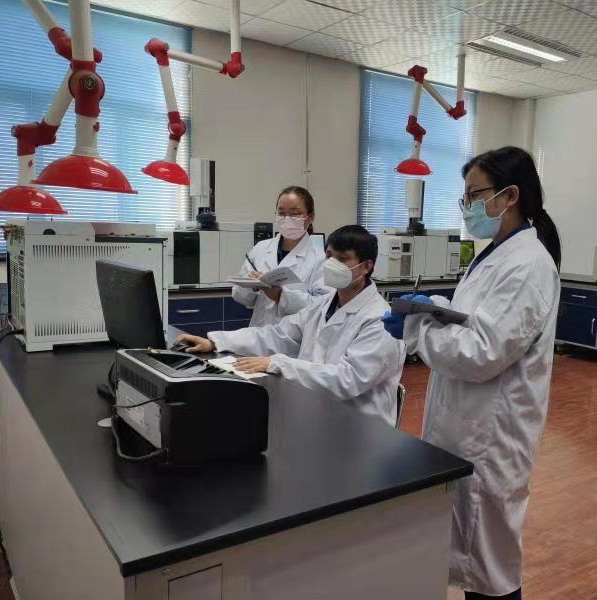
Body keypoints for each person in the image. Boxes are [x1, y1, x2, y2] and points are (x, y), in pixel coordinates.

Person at [383, 147, 562, 599]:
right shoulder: (495, 254)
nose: (467, 206)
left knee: (489, 566)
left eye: (474, 194)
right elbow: (476, 320)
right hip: (465, 423)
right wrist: (434, 308)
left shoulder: (527, 264)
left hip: (491, 433)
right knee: (471, 555)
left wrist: (417, 328)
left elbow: (482, 353)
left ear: (510, 195)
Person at [176, 225, 405, 426]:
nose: (331, 264)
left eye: (342, 259)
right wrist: (215, 341)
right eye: (329, 256)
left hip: (360, 428)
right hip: (316, 414)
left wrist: (279, 363)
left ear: (366, 267)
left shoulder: (380, 319)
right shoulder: (323, 304)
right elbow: (277, 334)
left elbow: (347, 380)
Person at [233, 185, 330, 327]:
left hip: (295, 338)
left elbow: (323, 307)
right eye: (281, 213)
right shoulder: (261, 249)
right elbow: (241, 298)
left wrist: (281, 296)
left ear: (310, 218)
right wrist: (251, 286)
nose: (287, 219)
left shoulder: (320, 259)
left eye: (294, 213)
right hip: (258, 334)